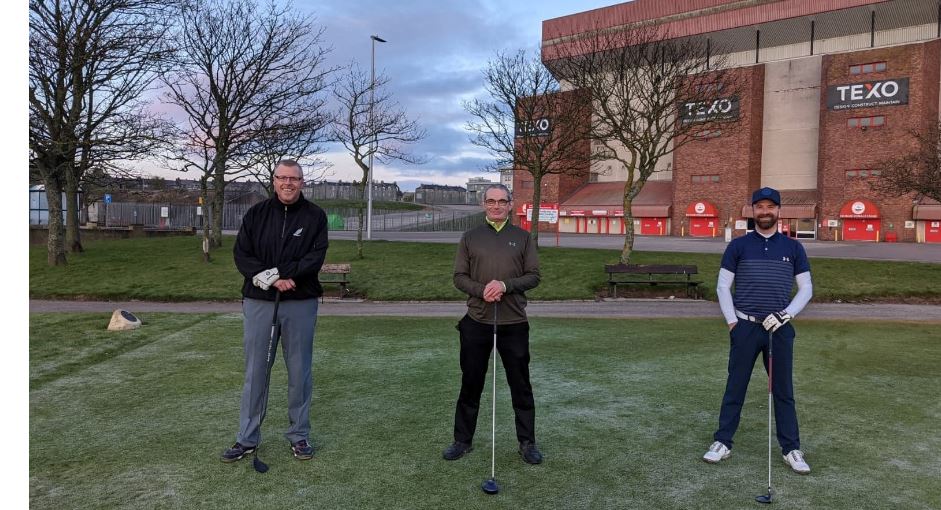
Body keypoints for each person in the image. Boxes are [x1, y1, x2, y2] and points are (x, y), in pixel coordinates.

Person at [221, 159, 328, 463]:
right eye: (282, 178)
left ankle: (299, 435)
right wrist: (272, 279)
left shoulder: (315, 216)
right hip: (259, 302)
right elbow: (242, 254)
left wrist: (283, 274)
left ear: (302, 182)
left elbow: (315, 257)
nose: (287, 183)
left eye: (294, 178)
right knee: (256, 371)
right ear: (274, 181)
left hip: (300, 302)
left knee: (299, 372)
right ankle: (247, 438)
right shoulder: (256, 213)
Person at [702, 187, 814, 474]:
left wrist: (786, 314)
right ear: (753, 211)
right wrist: (732, 322)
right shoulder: (738, 246)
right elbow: (723, 286)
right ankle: (723, 441)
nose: (765, 211)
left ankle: (791, 448)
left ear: (779, 211)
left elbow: (806, 288)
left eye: (770, 207)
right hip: (745, 327)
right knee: (735, 386)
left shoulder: (793, 248)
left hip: (779, 329)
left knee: (783, 390)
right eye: (760, 207)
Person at [442, 184, 544, 465]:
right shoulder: (470, 237)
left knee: (520, 385)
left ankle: (527, 443)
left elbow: (534, 276)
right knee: (471, 383)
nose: (496, 206)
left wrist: (505, 285)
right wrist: (482, 290)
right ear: (483, 204)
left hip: (514, 322)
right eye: (491, 201)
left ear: (510, 205)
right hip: (477, 321)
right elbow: (459, 277)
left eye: (502, 201)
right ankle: (462, 441)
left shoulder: (522, 238)